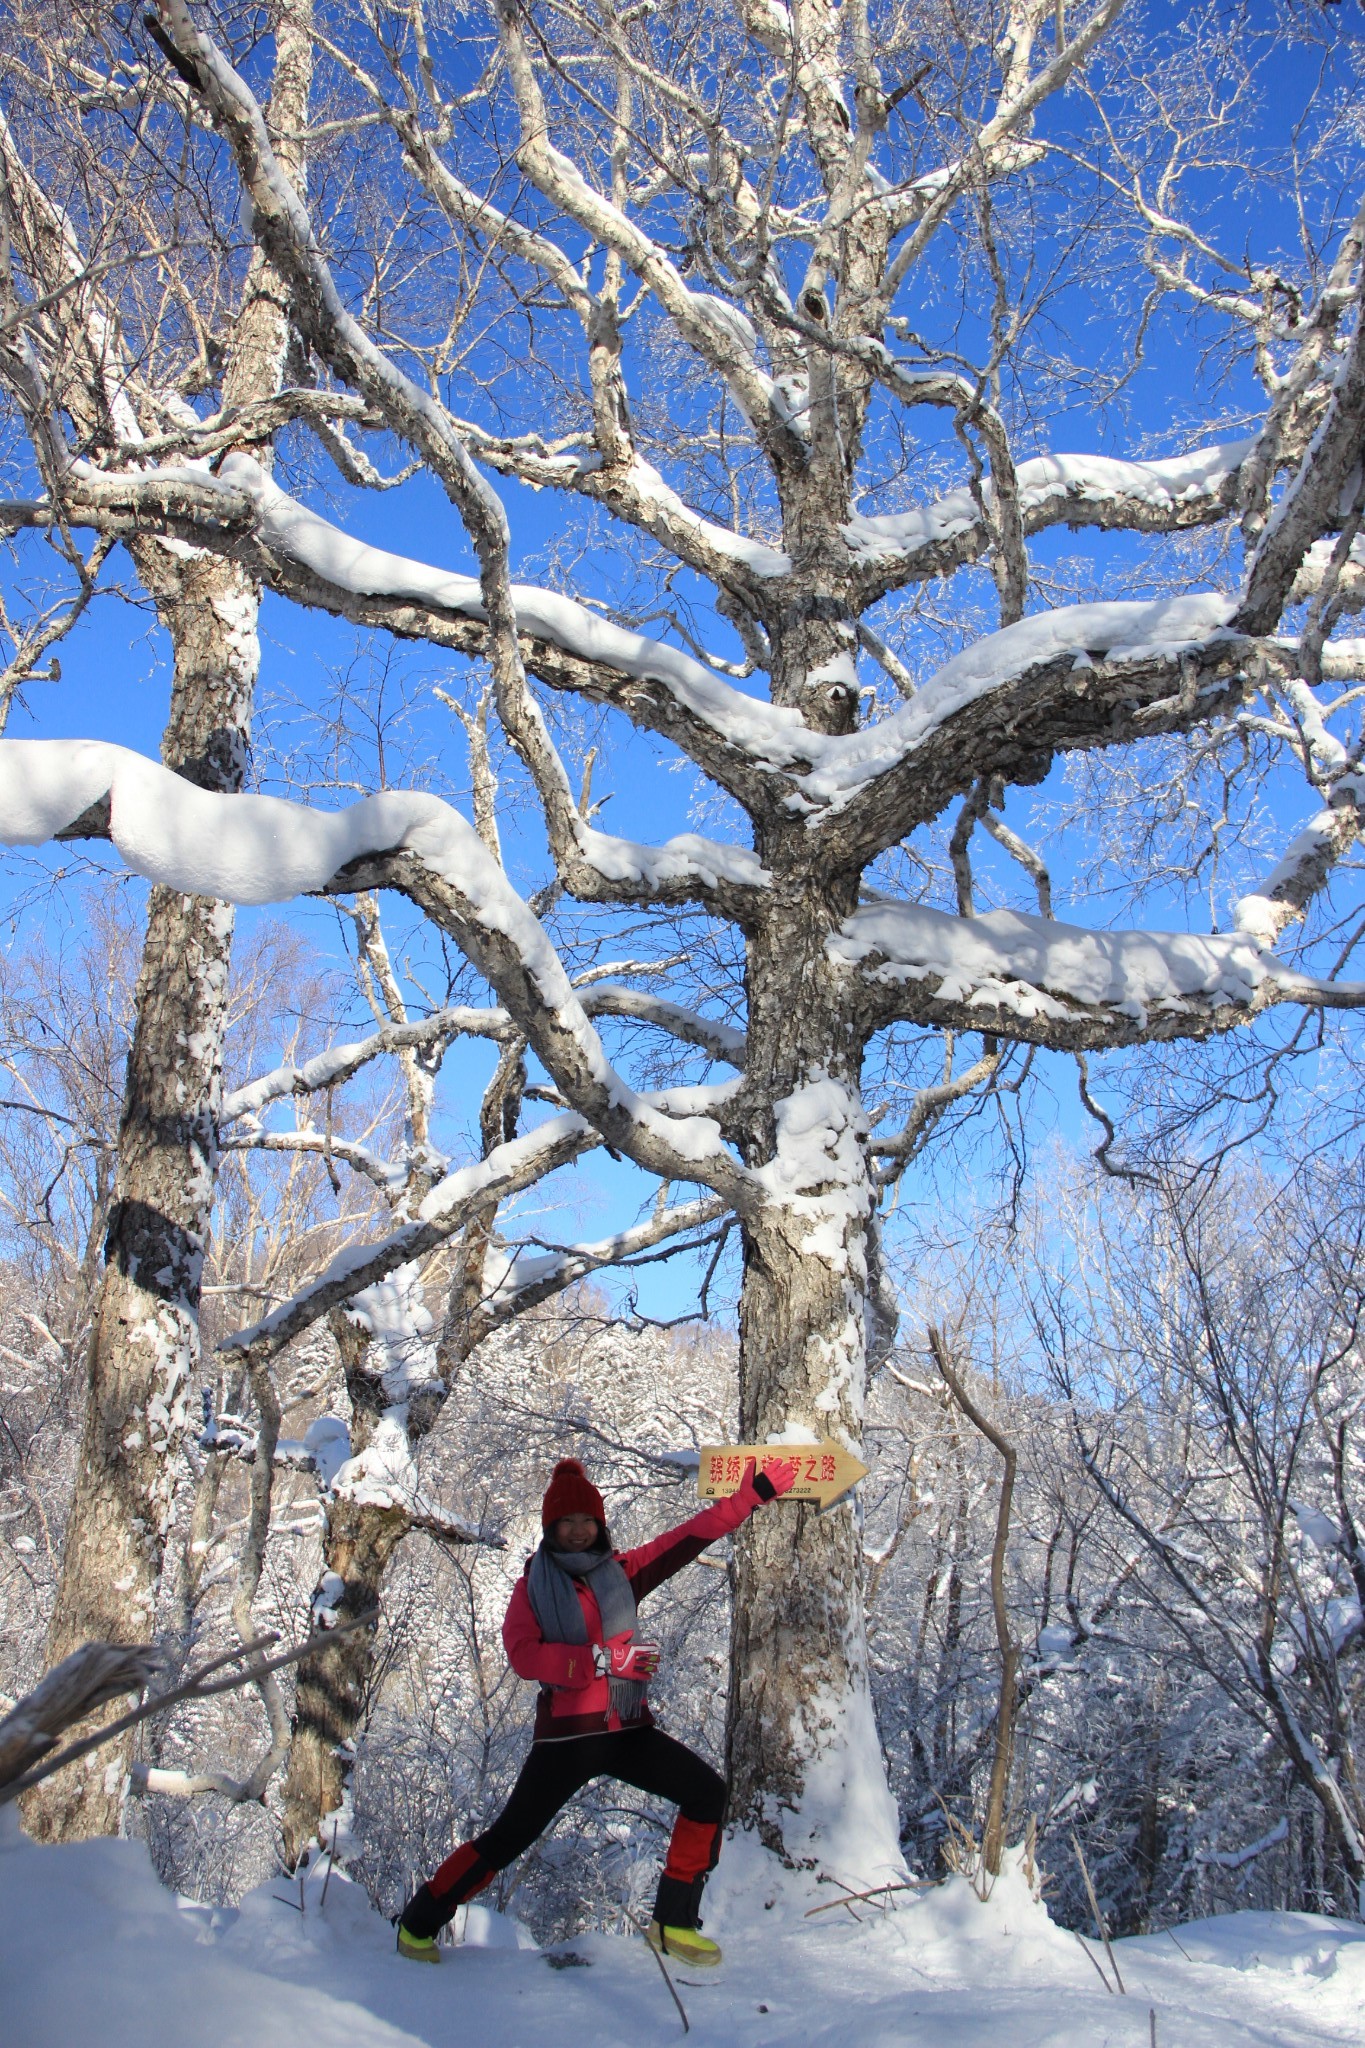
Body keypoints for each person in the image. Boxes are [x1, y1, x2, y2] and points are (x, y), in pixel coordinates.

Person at [395, 1450, 799, 1967]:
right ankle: (418, 1923)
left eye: (588, 1520)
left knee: (706, 1794)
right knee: (508, 1838)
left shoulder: (623, 1573)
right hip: (567, 1739)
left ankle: (673, 1922)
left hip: (627, 1728)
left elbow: (690, 1537)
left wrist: (752, 1495)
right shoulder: (532, 1589)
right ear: (551, 1528)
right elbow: (523, 1656)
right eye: (568, 1522)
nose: (580, 1531)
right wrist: (600, 1660)